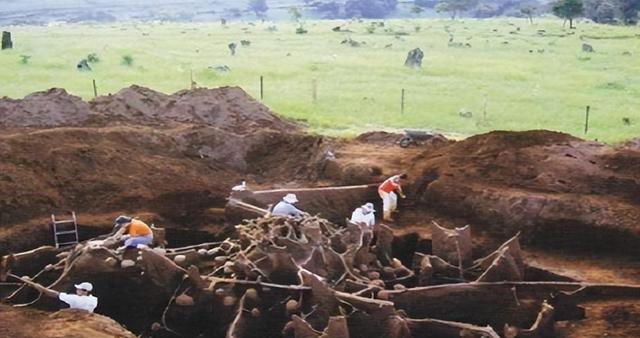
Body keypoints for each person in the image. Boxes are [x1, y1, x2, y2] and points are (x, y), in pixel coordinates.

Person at [27, 280, 98, 313]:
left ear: (84, 291)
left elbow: (55, 294)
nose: (77, 290)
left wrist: (39, 287)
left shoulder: (74, 298)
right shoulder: (93, 300)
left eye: (78, 289)